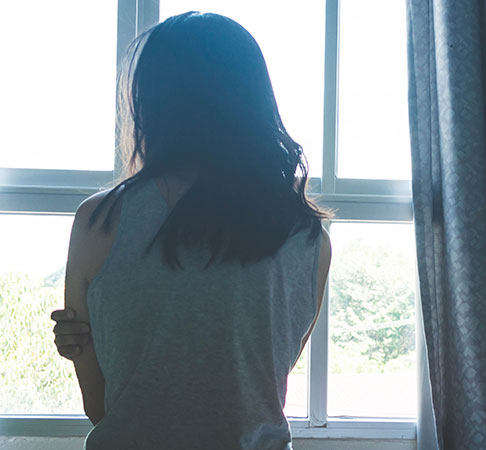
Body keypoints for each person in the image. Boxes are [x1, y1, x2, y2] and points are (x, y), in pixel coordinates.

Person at [49, 11, 332, 450]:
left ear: (152, 103)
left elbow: (103, 408)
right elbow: (254, 386)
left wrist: (84, 347)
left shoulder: (100, 220)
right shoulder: (307, 237)